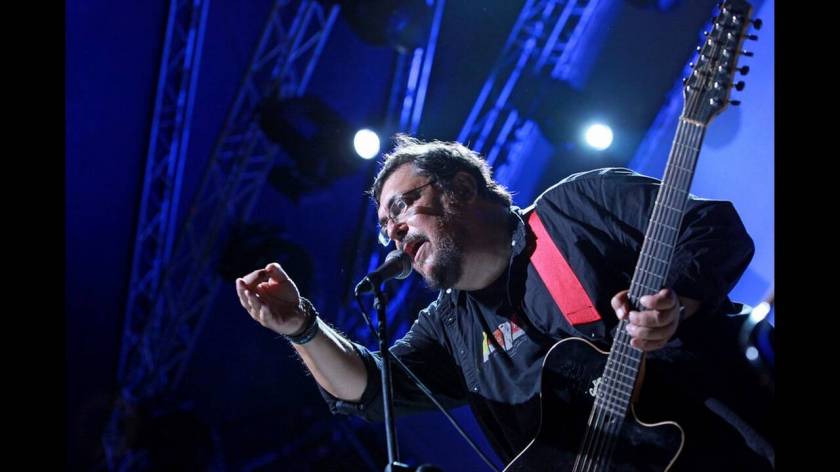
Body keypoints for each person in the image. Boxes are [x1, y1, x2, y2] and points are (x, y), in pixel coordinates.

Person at [235, 135, 773, 470]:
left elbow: (711, 227)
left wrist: (678, 301)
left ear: (463, 188)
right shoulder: (449, 328)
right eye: (384, 227)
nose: (394, 230)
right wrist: (302, 328)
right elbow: (372, 390)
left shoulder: (576, 206)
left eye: (404, 205)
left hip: (739, 440)